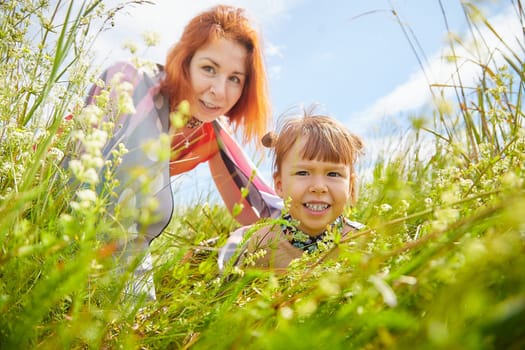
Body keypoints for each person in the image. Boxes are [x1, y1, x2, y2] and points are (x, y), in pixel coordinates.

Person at [68, 5, 282, 300]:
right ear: (185, 62)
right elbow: (96, 195)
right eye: (209, 69)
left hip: (115, 264)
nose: (219, 91)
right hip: (46, 218)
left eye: (235, 78)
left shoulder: (212, 132)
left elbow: (266, 215)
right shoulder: (130, 83)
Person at [220, 109, 364, 272]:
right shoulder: (262, 244)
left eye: (333, 174)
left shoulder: (361, 240)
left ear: (350, 186)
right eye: (303, 173)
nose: (318, 187)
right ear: (280, 185)